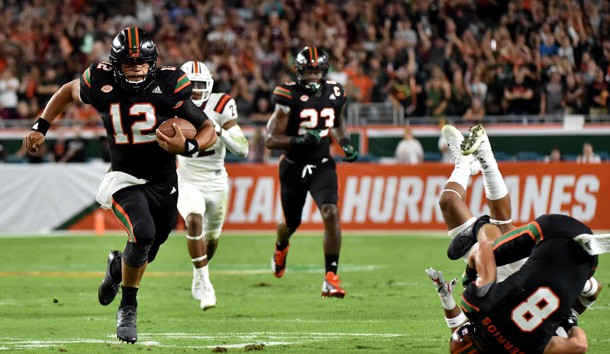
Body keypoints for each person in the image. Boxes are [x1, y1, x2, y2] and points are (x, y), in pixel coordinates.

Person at [22, 27, 217, 344]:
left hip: (163, 180)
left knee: (147, 250)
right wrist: (41, 125)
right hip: (122, 177)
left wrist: (190, 148)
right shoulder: (100, 80)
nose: (137, 69)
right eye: (129, 64)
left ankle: (115, 269)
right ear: (115, 64)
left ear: (152, 62)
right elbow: (68, 92)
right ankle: (128, 308)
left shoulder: (169, 83)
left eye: (142, 63)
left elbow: (207, 127)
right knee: (143, 233)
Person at [429, 124, 603, 353]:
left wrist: (573, 310)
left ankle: (463, 163)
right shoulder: (481, 311)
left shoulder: (533, 346)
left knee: (449, 204)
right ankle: (485, 157)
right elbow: (473, 319)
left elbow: (579, 342)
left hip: (558, 270)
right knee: (497, 230)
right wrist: (471, 270)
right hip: (522, 275)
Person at [264, 46, 358, 298]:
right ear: (300, 71)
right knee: (290, 223)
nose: (314, 76)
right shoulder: (288, 95)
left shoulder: (336, 91)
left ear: (324, 71)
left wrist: (345, 142)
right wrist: (299, 141)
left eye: (318, 71)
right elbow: (270, 139)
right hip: (293, 166)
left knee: (331, 211)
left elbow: (336, 122)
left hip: (322, 163)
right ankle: (281, 246)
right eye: (309, 71)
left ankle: (331, 276)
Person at [176, 60, 249, 311]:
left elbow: (243, 149)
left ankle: (198, 274)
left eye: (200, 85)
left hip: (216, 179)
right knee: (194, 219)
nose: (196, 91)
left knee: (213, 239)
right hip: (187, 178)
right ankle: (206, 284)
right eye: (191, 85)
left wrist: (220, 131)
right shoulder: (173, 104)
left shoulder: (221, 104)